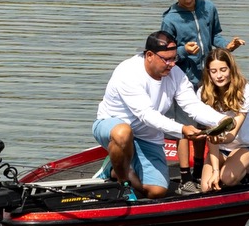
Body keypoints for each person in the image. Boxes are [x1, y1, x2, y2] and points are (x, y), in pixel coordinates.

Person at [94, 32, 229, 198]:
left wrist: (221, 120)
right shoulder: (128, 73)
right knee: (123, 132)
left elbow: (192, 105)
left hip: (147, 136)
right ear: (149, 55)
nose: (172, 64)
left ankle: (116, 169)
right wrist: (182, 129)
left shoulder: (176, 74)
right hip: (111, 127)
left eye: (174, 58)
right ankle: (124, 184)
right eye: (167, 59)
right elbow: (147, 115)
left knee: (157, 191)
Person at [160, 0, 242, 86]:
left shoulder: (208, 8)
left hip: (209, 76)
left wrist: (227, 46)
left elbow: (214, 35)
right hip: (184, 80)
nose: (188, 0)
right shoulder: (170, 20)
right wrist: (184, 50)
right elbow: (165, 54)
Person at [196, 47, 249, 192]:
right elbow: (211, 134)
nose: (219, 75)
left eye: (223, 70)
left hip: (245, 145)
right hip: (220, 148)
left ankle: (247, 172)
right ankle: (225, 167)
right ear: (208, 73)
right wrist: (215, 171)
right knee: (206, 188)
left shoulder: (245, 91)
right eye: (214, 71)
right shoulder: (202, 93)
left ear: (231, 69)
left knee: (227, 178)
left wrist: (220, 139)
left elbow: (233, 132)